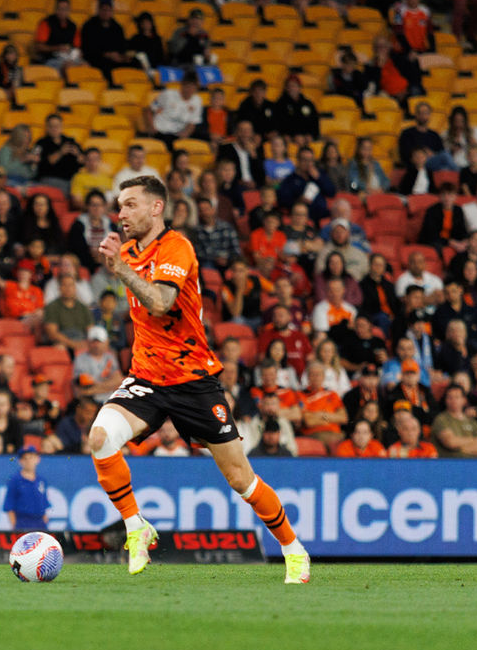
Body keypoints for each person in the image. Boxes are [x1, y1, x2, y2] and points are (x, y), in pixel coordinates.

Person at [88, 175, 311, 581]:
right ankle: (136, 526)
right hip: (148, 377)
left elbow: (161, 302)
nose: (121, 213)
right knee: (100, 439)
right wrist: (121, 264)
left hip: (194, 381)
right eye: (119, 205)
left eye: (131, 205)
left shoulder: (177, 247)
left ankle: (293, 548)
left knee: (240, 479)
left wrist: (118, 268)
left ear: (156, 207)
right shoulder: (129, 252)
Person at [3, 444, 50, 531]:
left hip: (40, 523)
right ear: (20, 461)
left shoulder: (41, 480)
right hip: (23, 522)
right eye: (25, 458)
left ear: (37, 459)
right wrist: (15, 526)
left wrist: (44, 521)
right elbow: (9, 506)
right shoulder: (15, 480)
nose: (28, 461)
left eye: (31, 457)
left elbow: (44, 504)